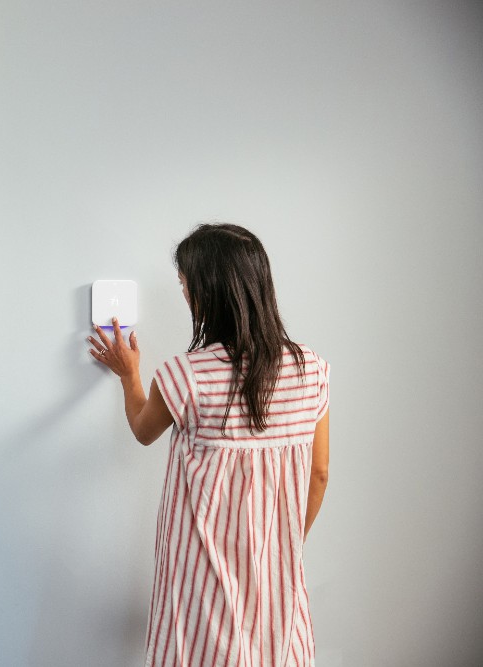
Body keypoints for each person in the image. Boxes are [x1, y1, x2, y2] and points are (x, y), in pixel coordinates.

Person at [88, 223, 330, 666]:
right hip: (278, 578)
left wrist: (129, 375)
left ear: (206, 294)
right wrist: (284, 544)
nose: (184, 295)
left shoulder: (187, 376)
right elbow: (319, 474)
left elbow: (143, 429)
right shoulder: (311, 370)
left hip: (202, 580)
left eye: (185, 285)